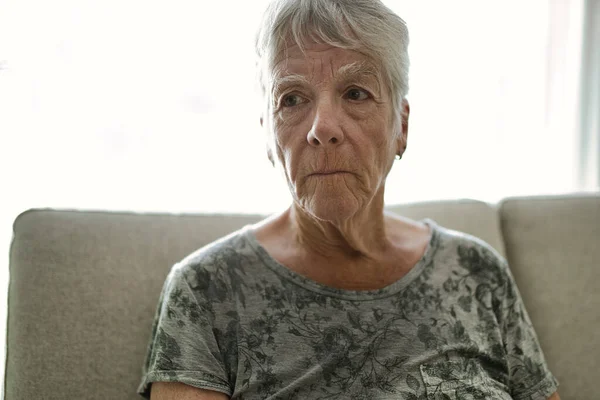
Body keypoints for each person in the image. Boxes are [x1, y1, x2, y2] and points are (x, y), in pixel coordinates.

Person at [137, 0, 560, 399]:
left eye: (356, 93)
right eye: (293, 98)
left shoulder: (476, 271)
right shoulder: (207, 289)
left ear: (402, 126)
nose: (322, 127)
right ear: (268, 132)